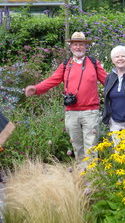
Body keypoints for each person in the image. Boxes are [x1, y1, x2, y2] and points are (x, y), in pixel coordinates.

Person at [25, 32, 107, 167]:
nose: (78, 47)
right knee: (77, 147)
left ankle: (93, 178)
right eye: (75, 44)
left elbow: (107, 82)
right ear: (70, 47)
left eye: (81, 44)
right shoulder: (65, 65)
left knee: (91, 147)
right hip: (71, 112)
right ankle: (82, 177)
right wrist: (36, 88)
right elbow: (52, 80)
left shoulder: (94, 63)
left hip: (90, 112)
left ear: (86, 46)